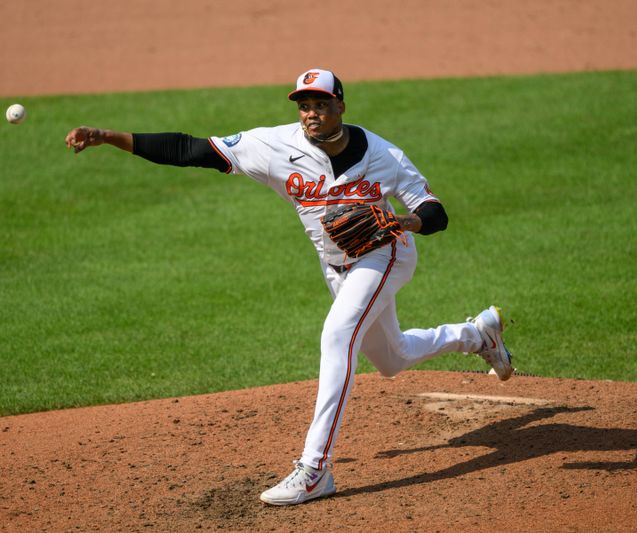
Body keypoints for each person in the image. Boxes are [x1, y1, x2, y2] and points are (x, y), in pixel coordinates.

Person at [64, 68, 514, 506]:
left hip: (386, 256)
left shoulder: (384, 155)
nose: (311, 113)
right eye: (304, 105)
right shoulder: (273, 145)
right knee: (392, 358)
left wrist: (405, 220)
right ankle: (477, 335)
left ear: (340, 105)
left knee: (338, 336)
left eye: (320, 104)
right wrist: (109, 136)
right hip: (336, 268)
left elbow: (436, 211)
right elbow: (189, 150)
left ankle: (315, 469)